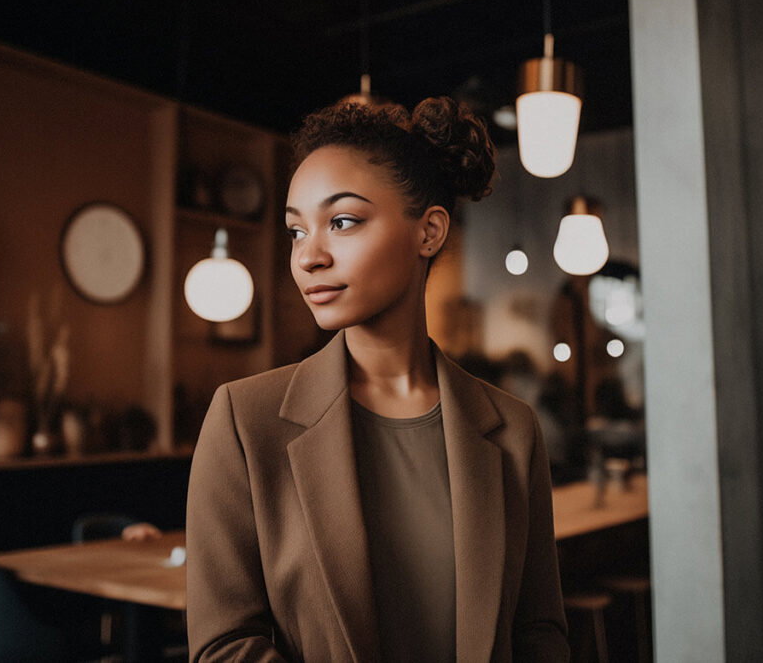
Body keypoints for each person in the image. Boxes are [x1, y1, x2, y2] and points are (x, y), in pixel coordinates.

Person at [185, 97, 569, 662]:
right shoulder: (247, 420)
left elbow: (539, 634)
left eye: (341, 222)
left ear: (429, 232)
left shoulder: (512, 428)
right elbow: (223, 646)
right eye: (296, 231)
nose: (309, 256)